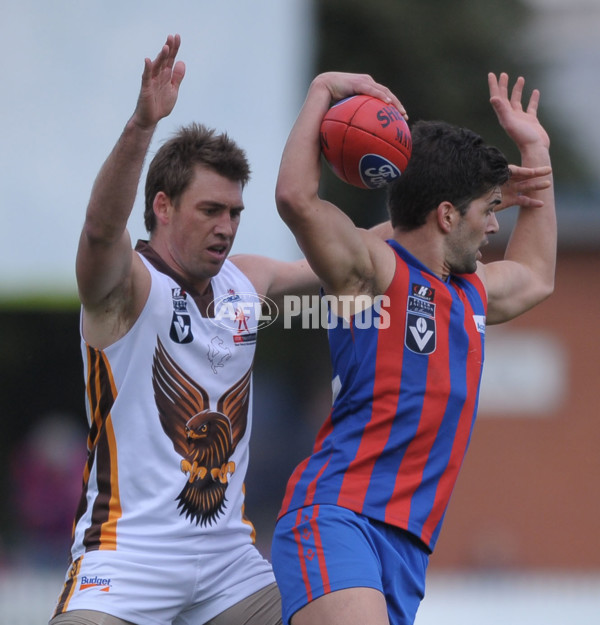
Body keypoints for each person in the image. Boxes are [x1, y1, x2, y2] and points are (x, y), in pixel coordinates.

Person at [48, 34, 322, 625]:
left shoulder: (245, 282)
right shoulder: (128, 287)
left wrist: (429, 237)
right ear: (164, 206)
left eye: (235, 213)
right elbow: (99, 232)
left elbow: (352, 264)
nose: (227, 227)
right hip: (127, 561)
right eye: (210, 211)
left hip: (230, 565)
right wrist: (143, 125)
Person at [270, 70, 555, 625]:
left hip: (406, 549)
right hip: (338, 519)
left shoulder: (471, 292)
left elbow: (538, 276)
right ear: (447, 215)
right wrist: (323, 91)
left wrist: (536, 147)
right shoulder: (374, 273)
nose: (496, 224)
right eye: (488, 210)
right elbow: (296, 199)